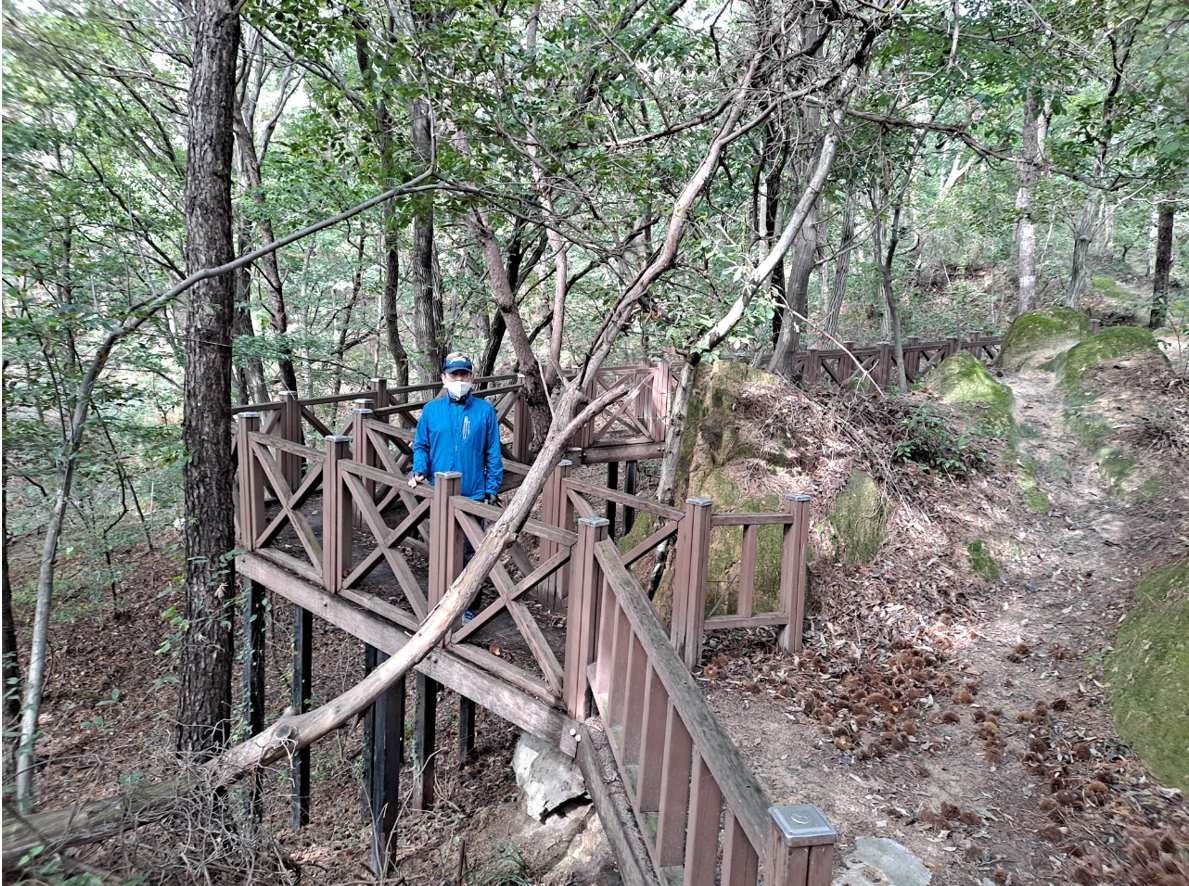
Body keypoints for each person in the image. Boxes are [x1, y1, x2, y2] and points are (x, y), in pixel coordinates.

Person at [408, 352, 504, 505]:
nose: (459, 379)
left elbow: (493, 452)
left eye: (464, 374)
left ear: (472, 378)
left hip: (474, 493)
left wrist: (492, 488)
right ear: (444, 379)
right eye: (453, 375)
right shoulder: (431, 410)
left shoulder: (485, 410)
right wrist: (419, 469)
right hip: (438, 490)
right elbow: (421, 446)